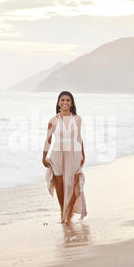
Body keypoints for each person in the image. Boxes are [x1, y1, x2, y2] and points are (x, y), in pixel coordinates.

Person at [42, 91, 87, 224]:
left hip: (74, 153)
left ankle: (69, 213)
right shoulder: (53, 121)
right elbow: (48, 140)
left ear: (71, 103)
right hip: (58, 154)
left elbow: (79, 138)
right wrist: (44, 156)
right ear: (58, 103)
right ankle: (63, 211)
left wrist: (83, 153)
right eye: (62, 100)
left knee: (73, 183)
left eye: (68, 100)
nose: (65, 102)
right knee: (60, 185)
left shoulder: (77, 119)